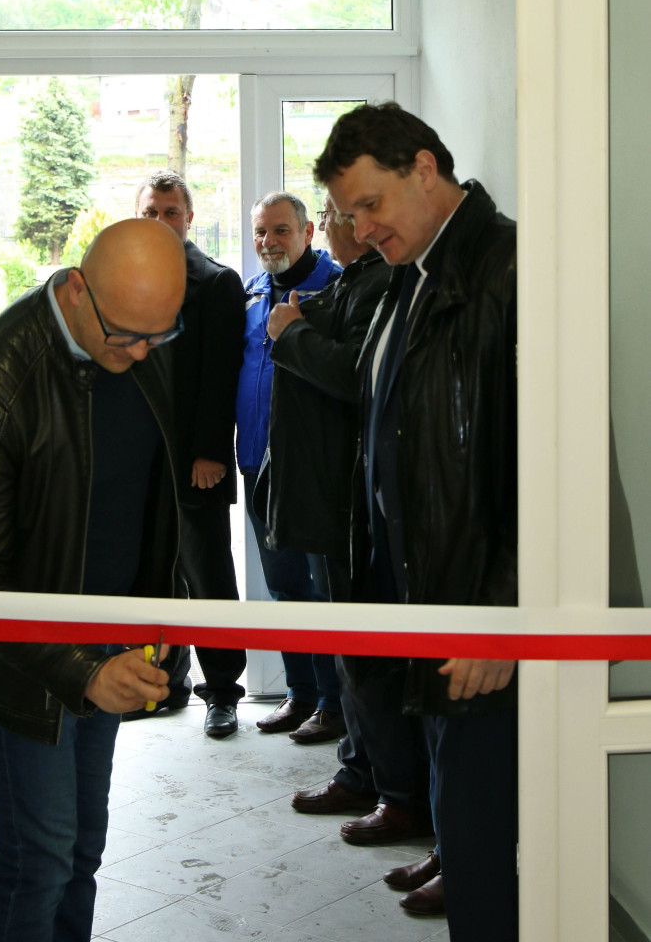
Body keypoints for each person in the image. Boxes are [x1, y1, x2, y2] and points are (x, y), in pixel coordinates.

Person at [0, 218, 186, 942]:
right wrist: (83, 671)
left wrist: (161, 618)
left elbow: (148, 502)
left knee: (80, 853)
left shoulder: (138, 340)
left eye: (159, 335)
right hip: (25, 663)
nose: (142, 353)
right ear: (77, 290)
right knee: (37, 861)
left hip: (114, 647)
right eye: (126, 335)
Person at [315, 102, 518, 941]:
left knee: (485, 848)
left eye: (370, 204)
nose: (359, 229)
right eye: (347, 213)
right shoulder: (412, 272)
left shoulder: (505, 269)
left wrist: (504, 616)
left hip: (481, 626)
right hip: (426, 607)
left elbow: (552, 461)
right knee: (461, 831)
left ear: (424, 169)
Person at [255, 197, 433, 844]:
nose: (332, 225)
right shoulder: (356, 280)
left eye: (332, 212)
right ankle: (361, 772)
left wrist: (290, 332)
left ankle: (398, 794)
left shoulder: (382, 282)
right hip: (330, 493)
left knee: (367, 655)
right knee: (350, 650)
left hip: (352, 499)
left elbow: (358, 376)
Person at [133, 171, 246, 738]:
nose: (160, 221)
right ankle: (166, 684)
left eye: (170, 212)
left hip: (197, 463)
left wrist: (209, 453)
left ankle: (222, 692)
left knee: (208, 578)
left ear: (189, 218)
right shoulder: (129, 280)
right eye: (150, 212)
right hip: (143, 462)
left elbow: (221, 377)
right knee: (153, 575)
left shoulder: (217, 283)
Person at [236, 191, 344, 742]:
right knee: (283, 586)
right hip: (257, 464)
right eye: (261, 231)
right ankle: (299, 694)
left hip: (309, 469)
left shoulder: (336, 289)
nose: (268, 241)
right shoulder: (251, 292)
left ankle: (333, 702)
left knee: (322, 593)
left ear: (307, 232)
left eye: (280, 230)